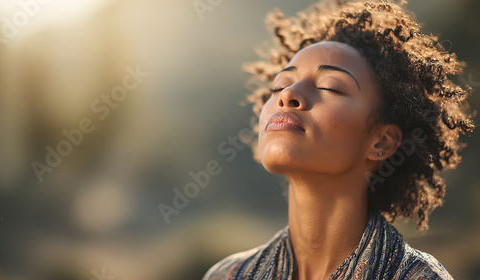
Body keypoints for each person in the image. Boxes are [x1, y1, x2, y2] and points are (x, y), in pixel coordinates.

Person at [203, 0, 475, 279]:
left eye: (329, 87)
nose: (287, 95)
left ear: (382, 141)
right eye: (280, 85)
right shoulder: (229, 275)